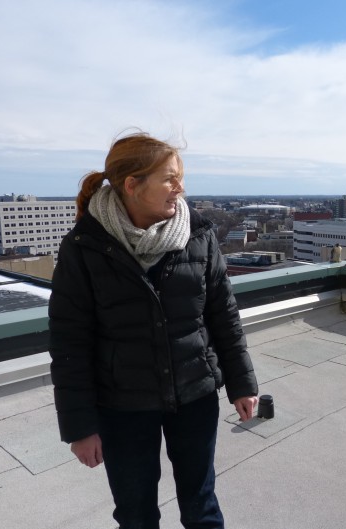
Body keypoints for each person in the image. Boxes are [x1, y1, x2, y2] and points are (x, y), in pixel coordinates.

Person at [48, 131, 259, 529]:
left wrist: (242, 383)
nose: (180, 188)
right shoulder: (85, 247)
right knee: (135, 512)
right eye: (169, 178)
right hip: (122, 405)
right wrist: (80, 427)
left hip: (195, 395)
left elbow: (223, 315)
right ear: (132, 185)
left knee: (201, 504)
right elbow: (69, 343)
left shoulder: (198, 235)